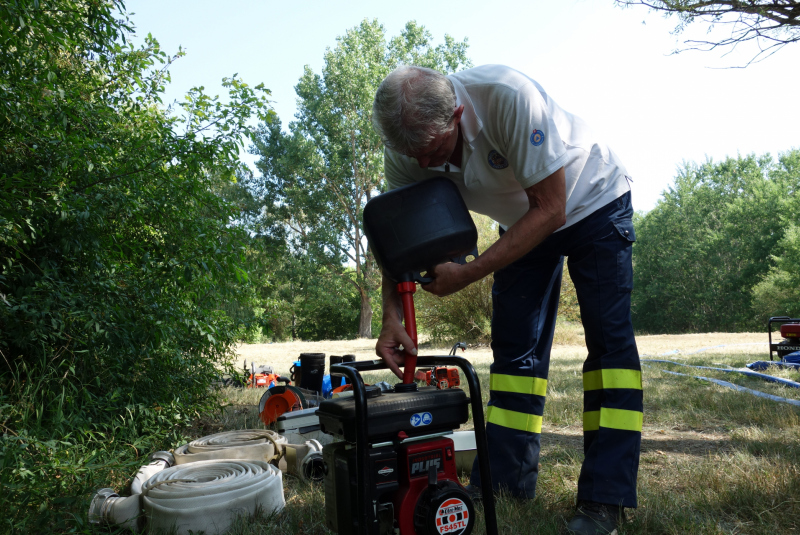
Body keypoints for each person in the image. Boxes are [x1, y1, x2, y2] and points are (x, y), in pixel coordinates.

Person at [371, 64, 642, 535]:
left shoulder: (508, 97)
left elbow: (551, 208)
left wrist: (469, 273)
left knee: (609, 351)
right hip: (523, 221)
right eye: (414, 156)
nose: (427, 165)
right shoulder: (410, 151)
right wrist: (391, 315)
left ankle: (604, 498)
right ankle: (504, 482)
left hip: (589, 201)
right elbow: (399, 238)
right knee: (514, 354)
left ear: (457, 113)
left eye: (434, 151)